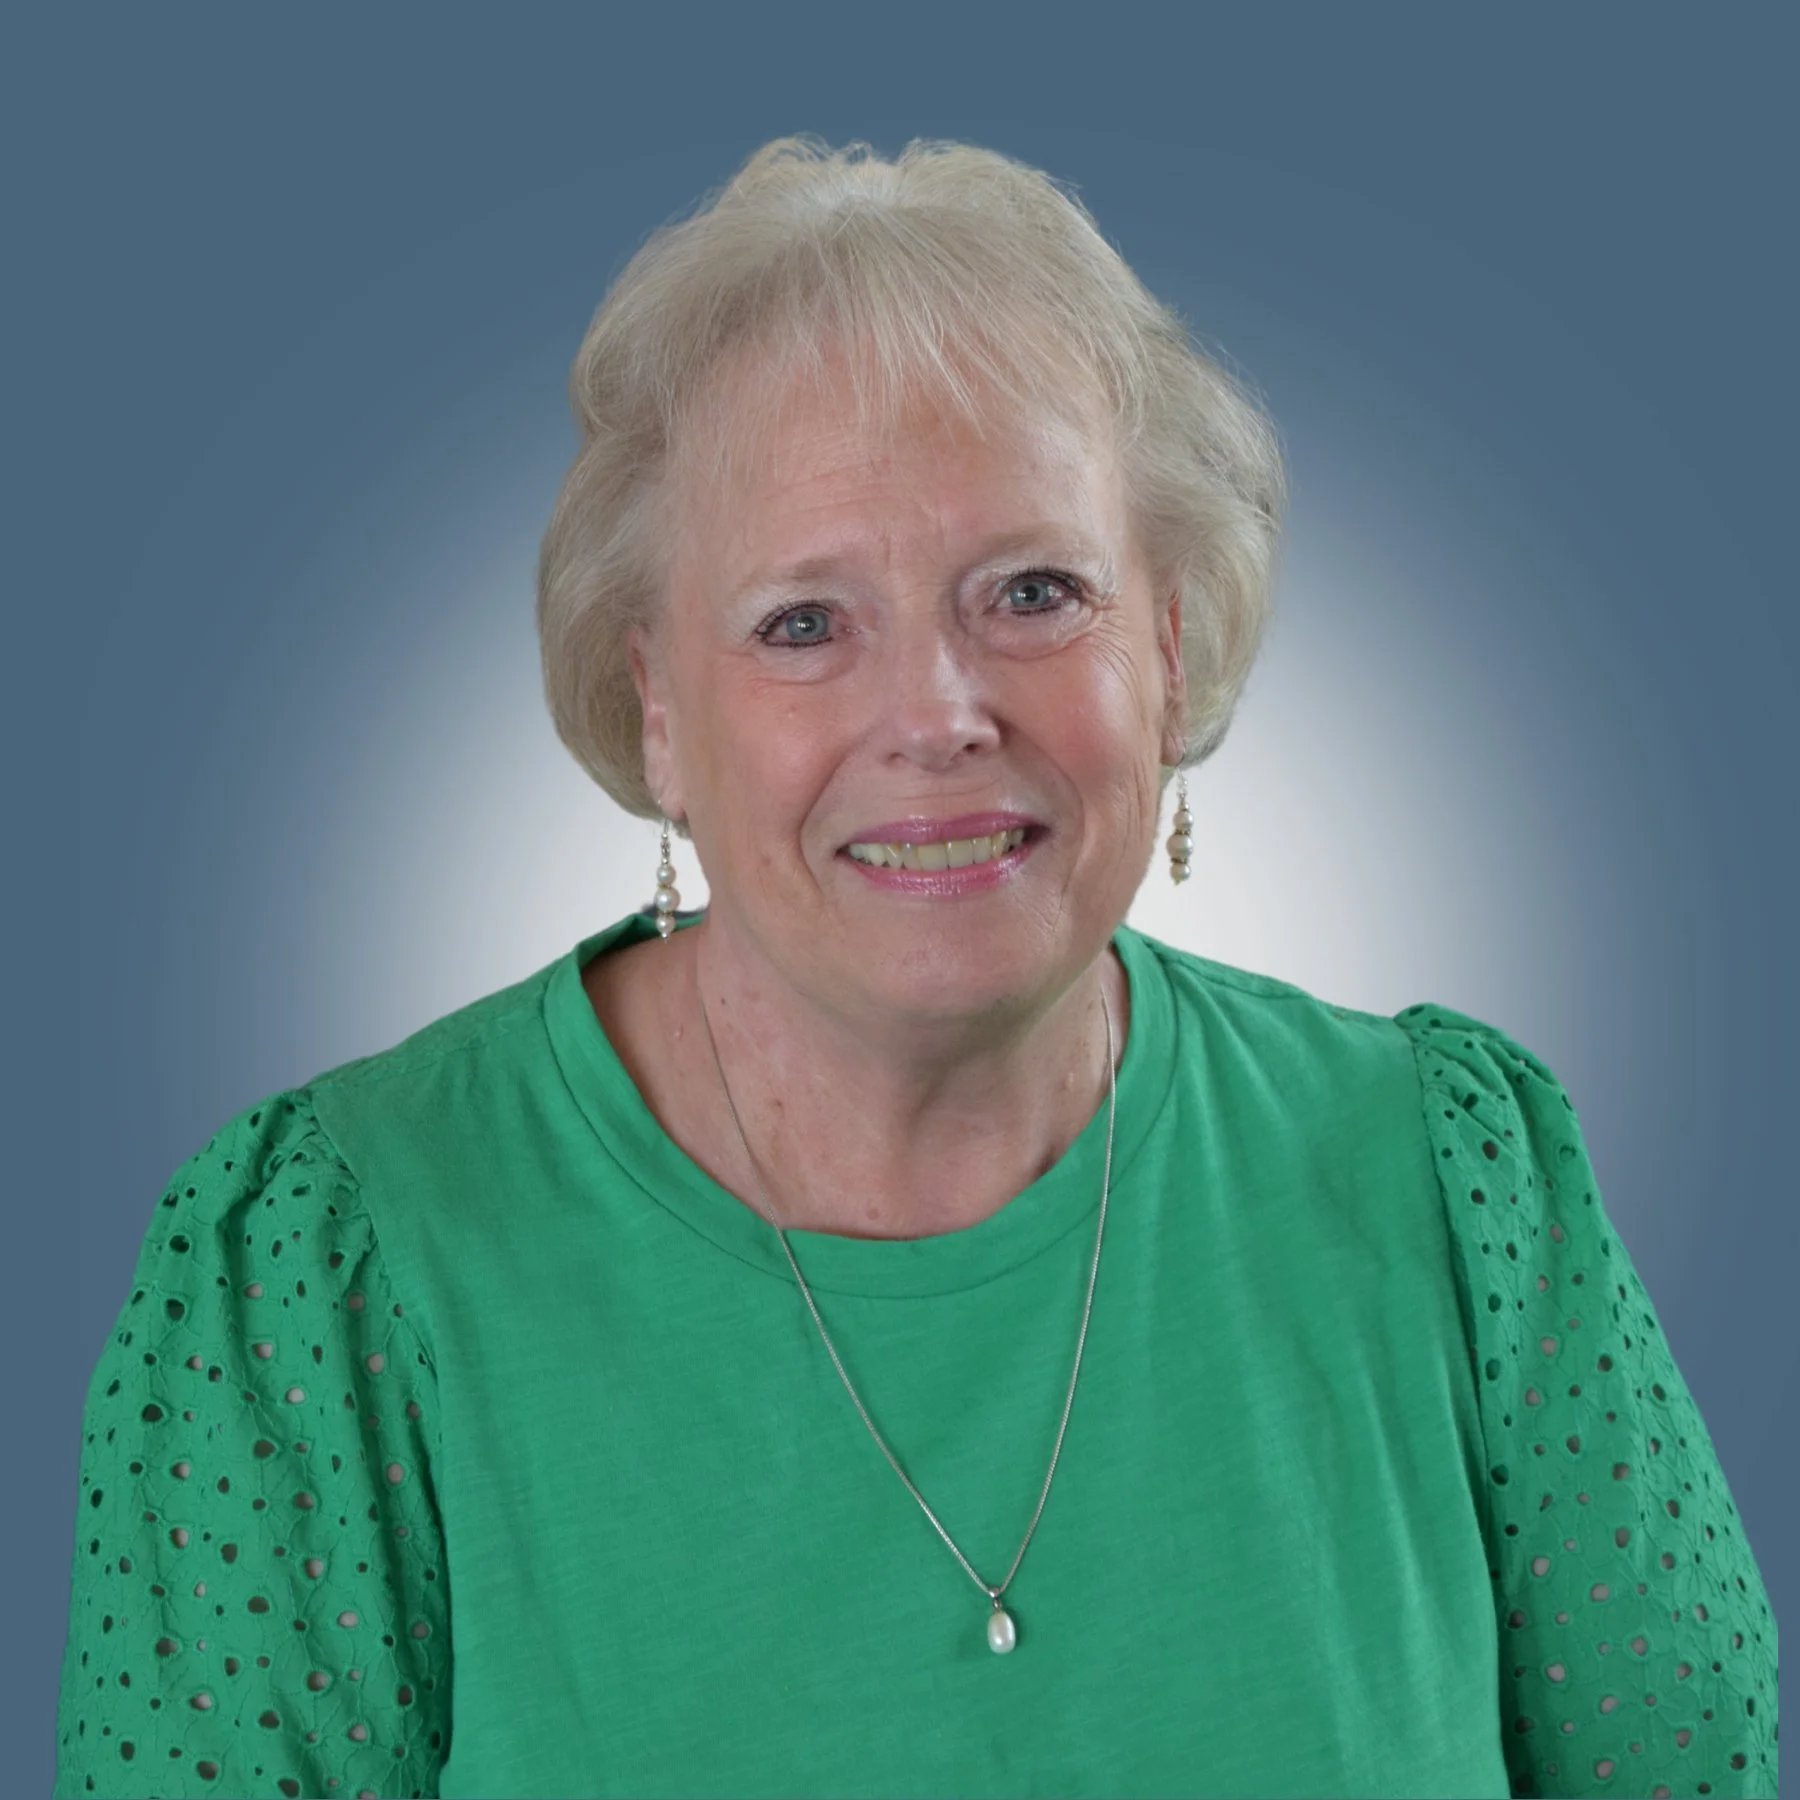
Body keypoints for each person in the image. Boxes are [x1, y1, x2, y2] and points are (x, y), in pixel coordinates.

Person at [56, 133, 1777, 1800]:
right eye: (804, 623)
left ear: (1168, 651)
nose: (940, 716)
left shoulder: (1458, 1183)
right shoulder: (325, 1270)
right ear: (658, 704)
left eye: (1033, 591)